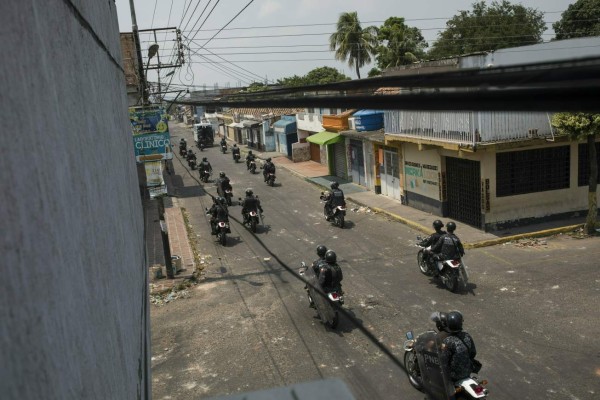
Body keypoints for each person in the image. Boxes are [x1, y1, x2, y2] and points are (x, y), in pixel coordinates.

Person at [440, 311, 477, 382]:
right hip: (469, 369)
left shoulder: (447, 341)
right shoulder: (467, 336)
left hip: (454, 375)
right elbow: (473, 353)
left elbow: (443, 359)